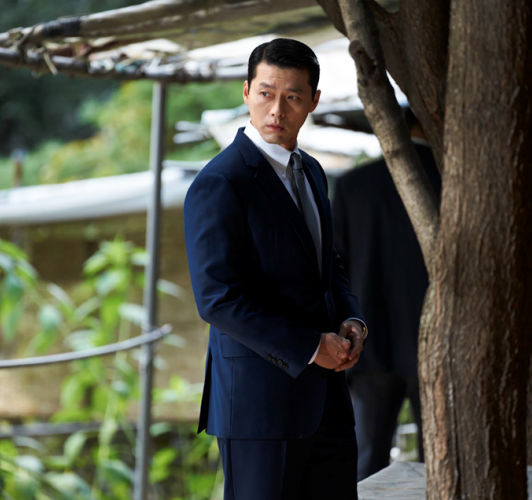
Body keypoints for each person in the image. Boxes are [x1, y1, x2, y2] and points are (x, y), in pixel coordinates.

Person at [184, 38, 368, 500]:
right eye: (266, 93)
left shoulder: (313, 171)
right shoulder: (220, 181)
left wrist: (351, 317)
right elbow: (217, 300)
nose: (277, 110)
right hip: (258, 406)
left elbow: (328, 262)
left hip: (328, 400)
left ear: (314, 101)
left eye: (292, 97)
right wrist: (310, 346)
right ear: (246, 92)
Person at [332, 107, 441, 480]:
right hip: (436, 342)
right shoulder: (452, 183)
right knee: (441, 459)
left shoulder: (354, 185)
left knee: (368, 459)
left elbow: (334, 271)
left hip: (368, 342)